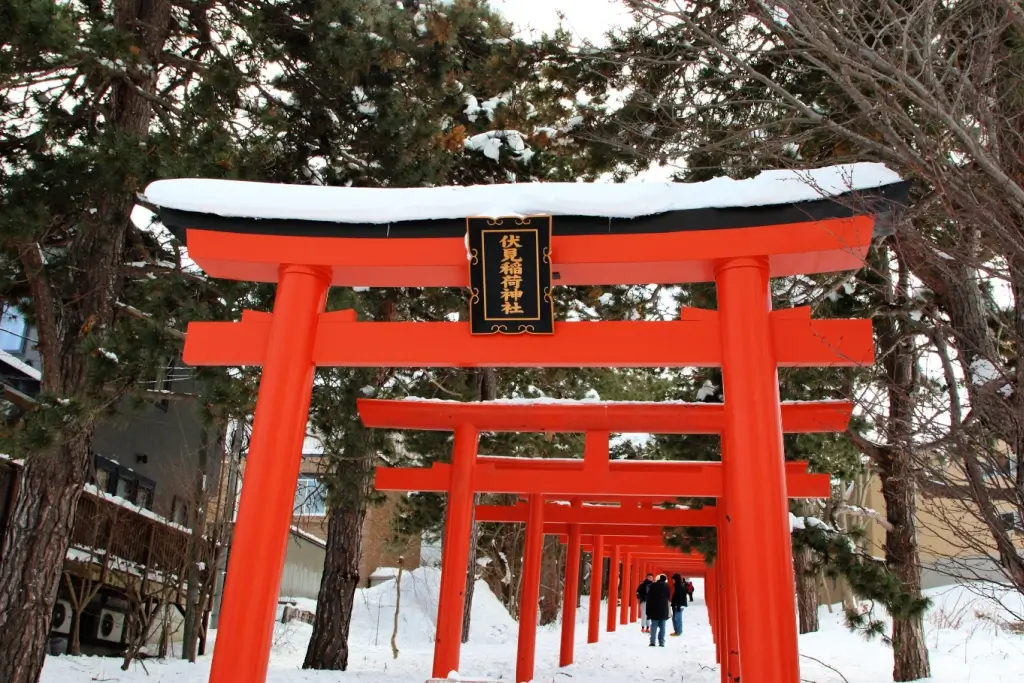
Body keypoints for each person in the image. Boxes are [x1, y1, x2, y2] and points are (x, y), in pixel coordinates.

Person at [645, 574, 671, 647]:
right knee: (662, 626)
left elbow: (649, 598)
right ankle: (661, 642)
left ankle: (652, 641)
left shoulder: (653, 586)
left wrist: (648, 611)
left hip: (654, 609)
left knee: (654, 626)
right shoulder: (666, 586)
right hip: (663, 609)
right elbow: (669, 597)